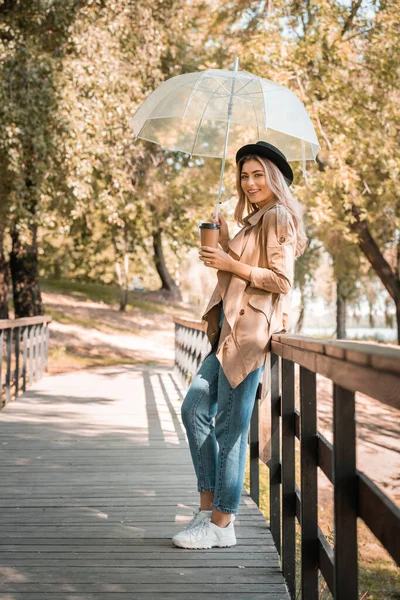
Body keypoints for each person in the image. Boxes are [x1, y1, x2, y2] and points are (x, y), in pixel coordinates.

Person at [172, 141, 307, 550]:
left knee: (230, 431)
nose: (249, 183)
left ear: (274, 178)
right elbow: (239, 273)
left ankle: (221, 522)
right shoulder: (253, 220)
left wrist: (232, 263)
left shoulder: (279, 216)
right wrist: (227, 240)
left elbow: (281, 281)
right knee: (195, 407)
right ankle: (208, 508)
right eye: (244, 176)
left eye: (257, 175)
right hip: (229, 333)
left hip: (249, 337)